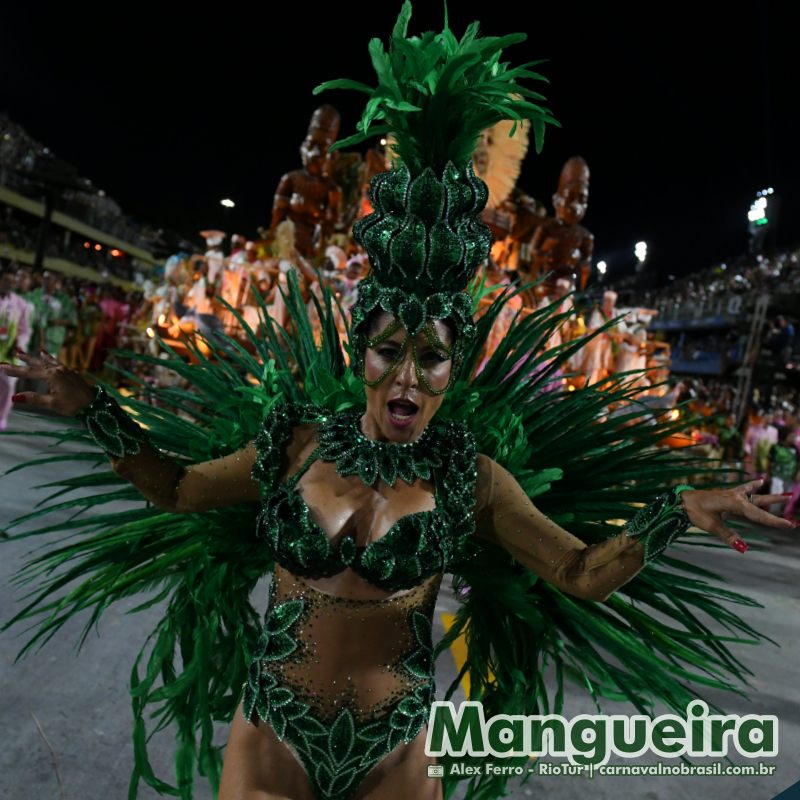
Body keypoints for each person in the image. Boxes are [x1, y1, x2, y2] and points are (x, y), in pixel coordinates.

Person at [1, 8, 796, 800]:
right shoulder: (298, 445)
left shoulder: (470, 479)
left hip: (396, 759)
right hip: (273, 737)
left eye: (432, 358)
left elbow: (579, 573)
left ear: (457, 367)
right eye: (389, 353)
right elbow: (175, 489)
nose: (408, 380)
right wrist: (93, 405)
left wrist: (674, 512)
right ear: (360, 355)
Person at [0, 267, 31, 429]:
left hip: (9, 352)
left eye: (12, 282)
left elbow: (25, 330)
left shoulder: (21, 304)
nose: (9, 284)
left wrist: (19, 345)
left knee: (7, 386)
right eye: (6, 280)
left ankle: (1, 419)